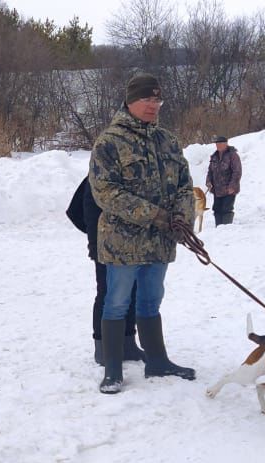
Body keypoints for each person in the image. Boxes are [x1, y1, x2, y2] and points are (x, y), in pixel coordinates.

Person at [88, 72, 197, 394]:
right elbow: (105, 191)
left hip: (160, 240)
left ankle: (158, 361)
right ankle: (112, 370)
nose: (153, 106)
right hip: (123, 241)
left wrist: (181, 216)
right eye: (147, 100)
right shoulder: (109, 142)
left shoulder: (168, 140)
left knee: (151, 301)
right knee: (117, 302)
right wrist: (156, 215)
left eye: (157, 100)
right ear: (131, 101)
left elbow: (184, 185)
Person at [65, 177, 146, 366]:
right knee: (107, 294)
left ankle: (128, 343)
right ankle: (102, 348)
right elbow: (83, 213)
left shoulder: (128, 173)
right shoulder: (97, 175)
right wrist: (95, 242)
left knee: (131, 291)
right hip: (104, 247)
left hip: (130, 246)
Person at [205, 135, 242, 225]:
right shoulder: (214, 156)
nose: (218, 145)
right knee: (217, 209)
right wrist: (208, 181)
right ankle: (218, 229)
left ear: (226, 143)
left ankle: (226, 230)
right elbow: (210, 171)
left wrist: (232, 186)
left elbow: (237, 171)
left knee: (226, 209)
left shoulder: (233, 155)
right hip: (217, 189)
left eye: (220, 143)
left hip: (229, 189)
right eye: (217, 144)